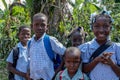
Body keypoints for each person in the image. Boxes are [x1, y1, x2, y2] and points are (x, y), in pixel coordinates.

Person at [78, 11, 120, 80]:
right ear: (92, 28)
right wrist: (96, 60)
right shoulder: (86, 47)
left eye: (105, 26)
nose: (101, 30)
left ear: (110, 28)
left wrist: (112, 63)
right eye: (97, 26)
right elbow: (84, 70)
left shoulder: (117, 48)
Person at [27, 13, 66, 80]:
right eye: (36, 25)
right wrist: (29, 72)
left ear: (47, 27)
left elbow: (66, 53)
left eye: (43, 25)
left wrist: (58, 70)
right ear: (31, 26)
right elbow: (30, 59)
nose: (39, 28)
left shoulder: (50, 40)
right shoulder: (30, 42)